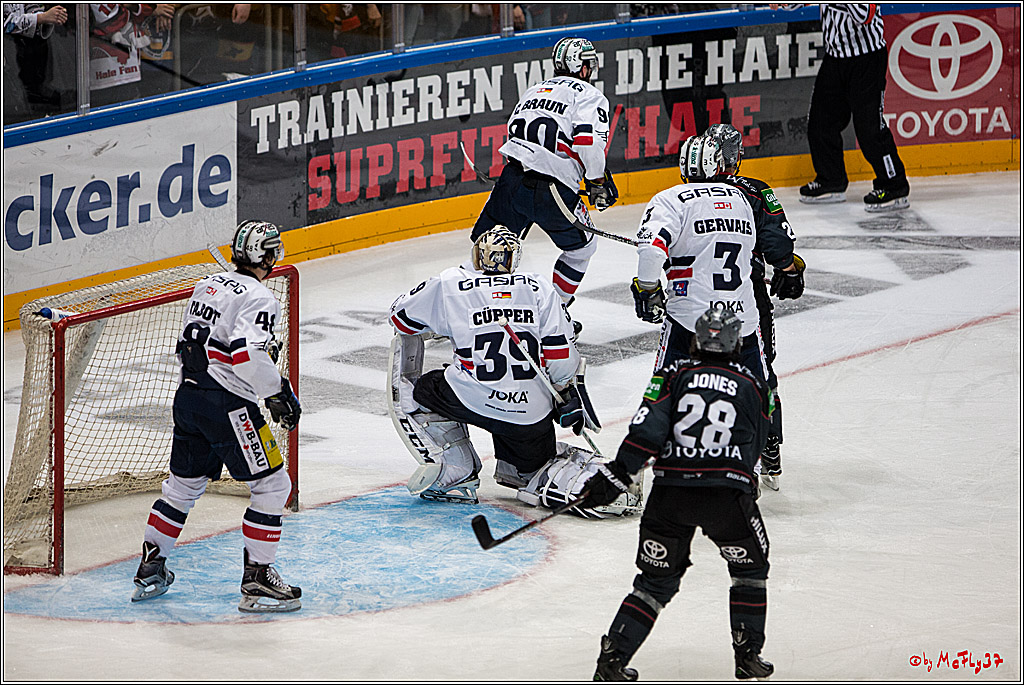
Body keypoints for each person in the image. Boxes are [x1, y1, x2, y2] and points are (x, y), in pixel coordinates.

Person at [387, 226, 640, 516]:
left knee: (423, 389)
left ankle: (455, 470)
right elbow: (561, 355)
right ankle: (553, 475)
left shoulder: (450, 283)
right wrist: (565, 393)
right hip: (529, 418)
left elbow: (400, 320)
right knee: (535, 470)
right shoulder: (538, 286)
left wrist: (449, 324)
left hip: (470, 398)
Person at [580, 307, 775, 681]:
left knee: (654, 583)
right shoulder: (752, 383)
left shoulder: (672, 374)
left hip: (671, 495)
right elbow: (757, 442)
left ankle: (612, 661)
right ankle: (748, 656)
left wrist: (618, 475)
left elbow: (647, 430)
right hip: (727, 497)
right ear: (736, 342)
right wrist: (743, 486)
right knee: (750, 571)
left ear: (696, 338)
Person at [131, 220, 303, 613]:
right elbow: (247, 355)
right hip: (227, 405)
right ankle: (258, 579)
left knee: (181, 489)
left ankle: (150, 568)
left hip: (188, 397)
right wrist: (277, 392)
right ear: (268, 255)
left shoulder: (207, 284)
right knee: (274, 486)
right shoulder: (260, 297)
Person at [471, 37, 617, 305]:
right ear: (581, 67)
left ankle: (466, 307)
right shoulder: (589, 95)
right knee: (582, 248)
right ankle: (556, 312)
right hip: (551, 189)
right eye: (588, 64)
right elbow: (588, 143)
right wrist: (596, 180)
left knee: (488, 247)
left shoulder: (534, 90)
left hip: (511, 180)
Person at [703, 123, 806, 490]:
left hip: (698, 301)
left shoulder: (684, 195)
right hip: (745, 298)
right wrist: (792, 270)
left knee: (696, 372)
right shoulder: (755, 192)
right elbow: (779, 247)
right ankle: (769, 445)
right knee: (760, 373)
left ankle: (705, 452)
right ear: (735, 157)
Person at [781, 3, 910, 212]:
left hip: (867, 59)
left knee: (870, 129)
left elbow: (864, 15)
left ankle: (894, 185)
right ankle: (832, 180)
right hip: (835, 58)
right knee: (820, 123)